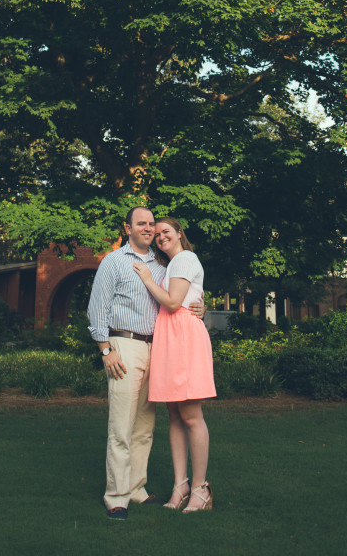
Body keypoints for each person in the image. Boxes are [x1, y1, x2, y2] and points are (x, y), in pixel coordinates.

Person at [87, 206, 204, 520]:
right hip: (123, 346)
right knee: (121, 426)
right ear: (128, 228)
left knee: (144, 427)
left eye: (152, 224)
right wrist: (105, 350)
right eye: (142, 224)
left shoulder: (162, 264)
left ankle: (137, 489)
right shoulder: (113, 262)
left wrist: (199, 306)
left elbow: (180, 294)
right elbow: (97, 308)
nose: (149, 228)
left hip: (158, 348)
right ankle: (116, 497)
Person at [133, 216, 216, 513]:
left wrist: (146, 279)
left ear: (180, 233)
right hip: (170, 336)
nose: (160, 237)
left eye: (166, 232)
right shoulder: (172, 266)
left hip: (183, 337)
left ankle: (200, 488)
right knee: (174, 413)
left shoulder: (184, 259)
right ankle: (180, 484)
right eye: (157, 235)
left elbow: (172, 302)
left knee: (191, 414)